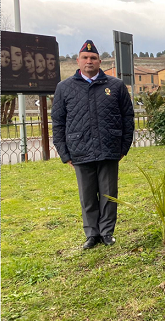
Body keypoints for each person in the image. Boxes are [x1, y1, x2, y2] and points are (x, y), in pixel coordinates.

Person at [51, 40, 134, 249]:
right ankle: (92, 234)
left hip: (109, 148)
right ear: (78, 61)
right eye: (85, 58)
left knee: (108, 194)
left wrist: (123, 147)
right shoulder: (64, 88)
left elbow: (128, 118)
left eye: (93, 58)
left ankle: (107, 232)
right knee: (87, 196)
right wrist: (64, 152)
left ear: (100, 61)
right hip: (80, 149)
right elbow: (58, 122)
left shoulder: (115, 86)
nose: (89, 61)